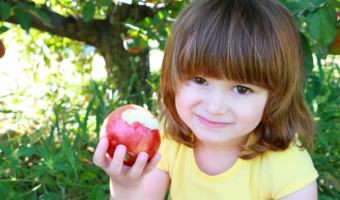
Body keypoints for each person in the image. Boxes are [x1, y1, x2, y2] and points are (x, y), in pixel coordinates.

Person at [93, 0, 319, 199]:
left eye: (241, 89)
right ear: (173, 77)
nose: (215, 107)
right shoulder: (166, 140)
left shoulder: (287, 168)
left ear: (276, 95)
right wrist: (126, 185)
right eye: (200, 80)